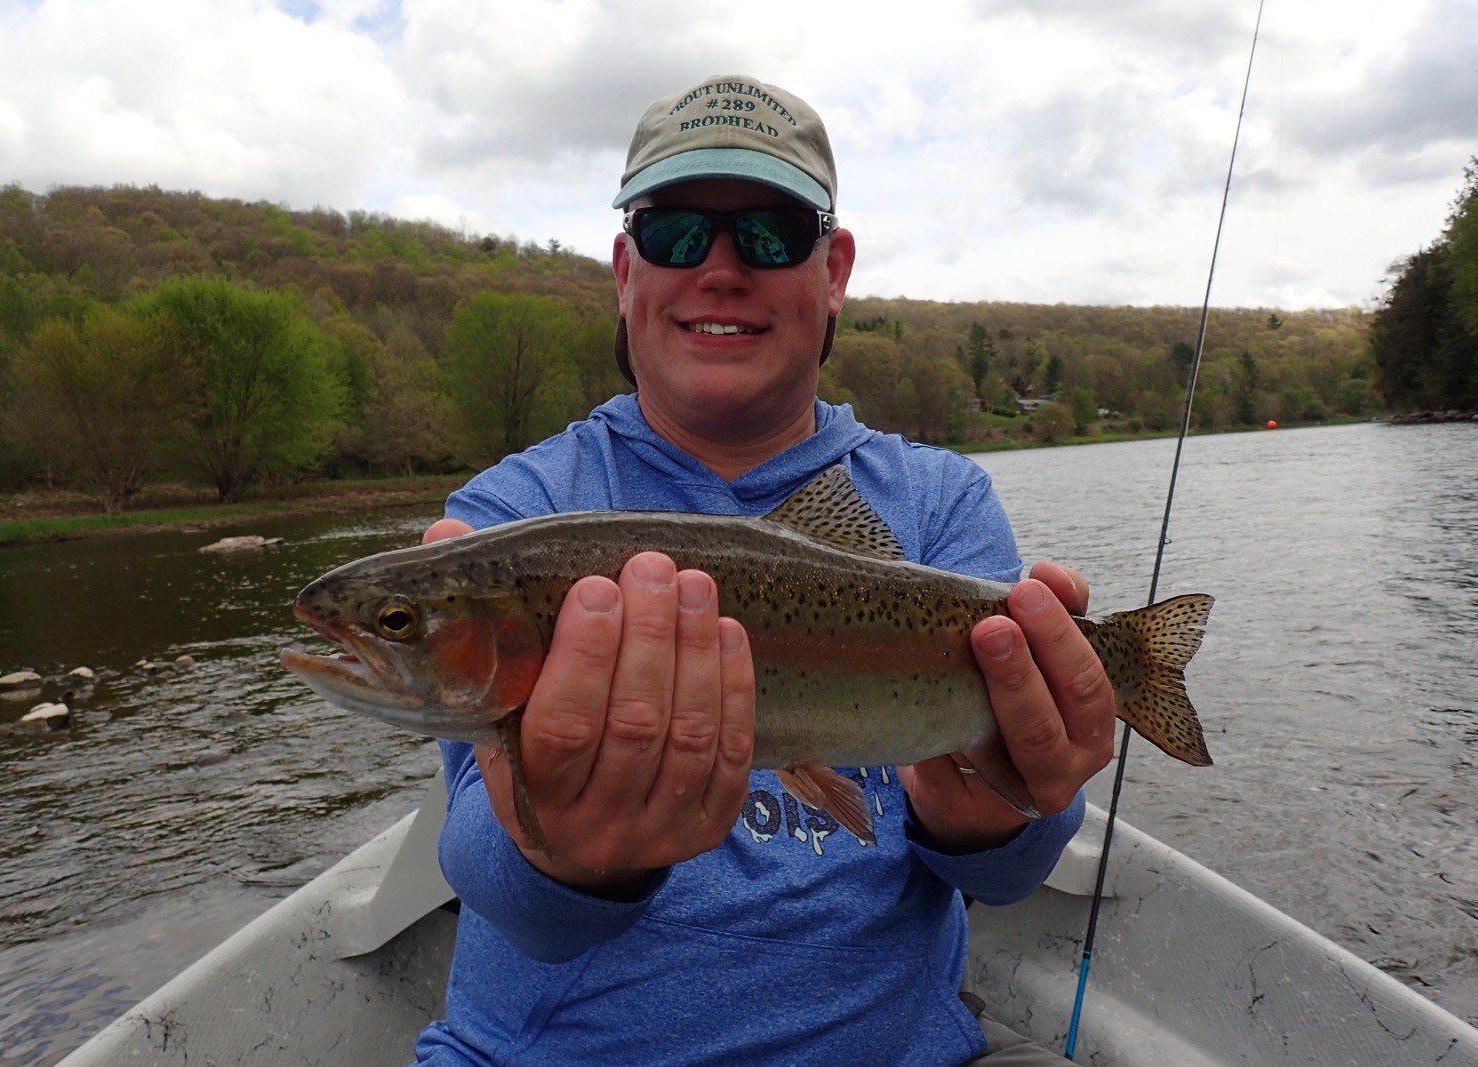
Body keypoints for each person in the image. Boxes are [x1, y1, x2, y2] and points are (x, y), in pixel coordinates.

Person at [410, 74, 1115, 1066]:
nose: (723, 269)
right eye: (678, 233)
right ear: (624, 268)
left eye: (772, 234)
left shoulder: (942, 501)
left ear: (833, 271)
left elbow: (1006, 877)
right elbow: (499, 883)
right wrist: (558, 849)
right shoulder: (515, 519)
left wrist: (995, 813)